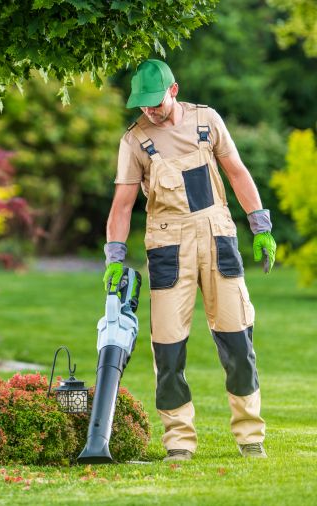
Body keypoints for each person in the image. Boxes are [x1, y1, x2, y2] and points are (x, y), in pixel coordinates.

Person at [103, 59, 276, 462]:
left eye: (155, 102)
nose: (149, 110)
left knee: (237, 339)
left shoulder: (207, 121)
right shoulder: (134, 141)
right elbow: (123, 204)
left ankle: (250, 435)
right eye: (142, 105)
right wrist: (114, 254)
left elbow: (236, 172)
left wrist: (260, 224)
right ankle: (179, 440)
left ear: (173, 90)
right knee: (168, 348)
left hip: (217, 236)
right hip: (167, 245)